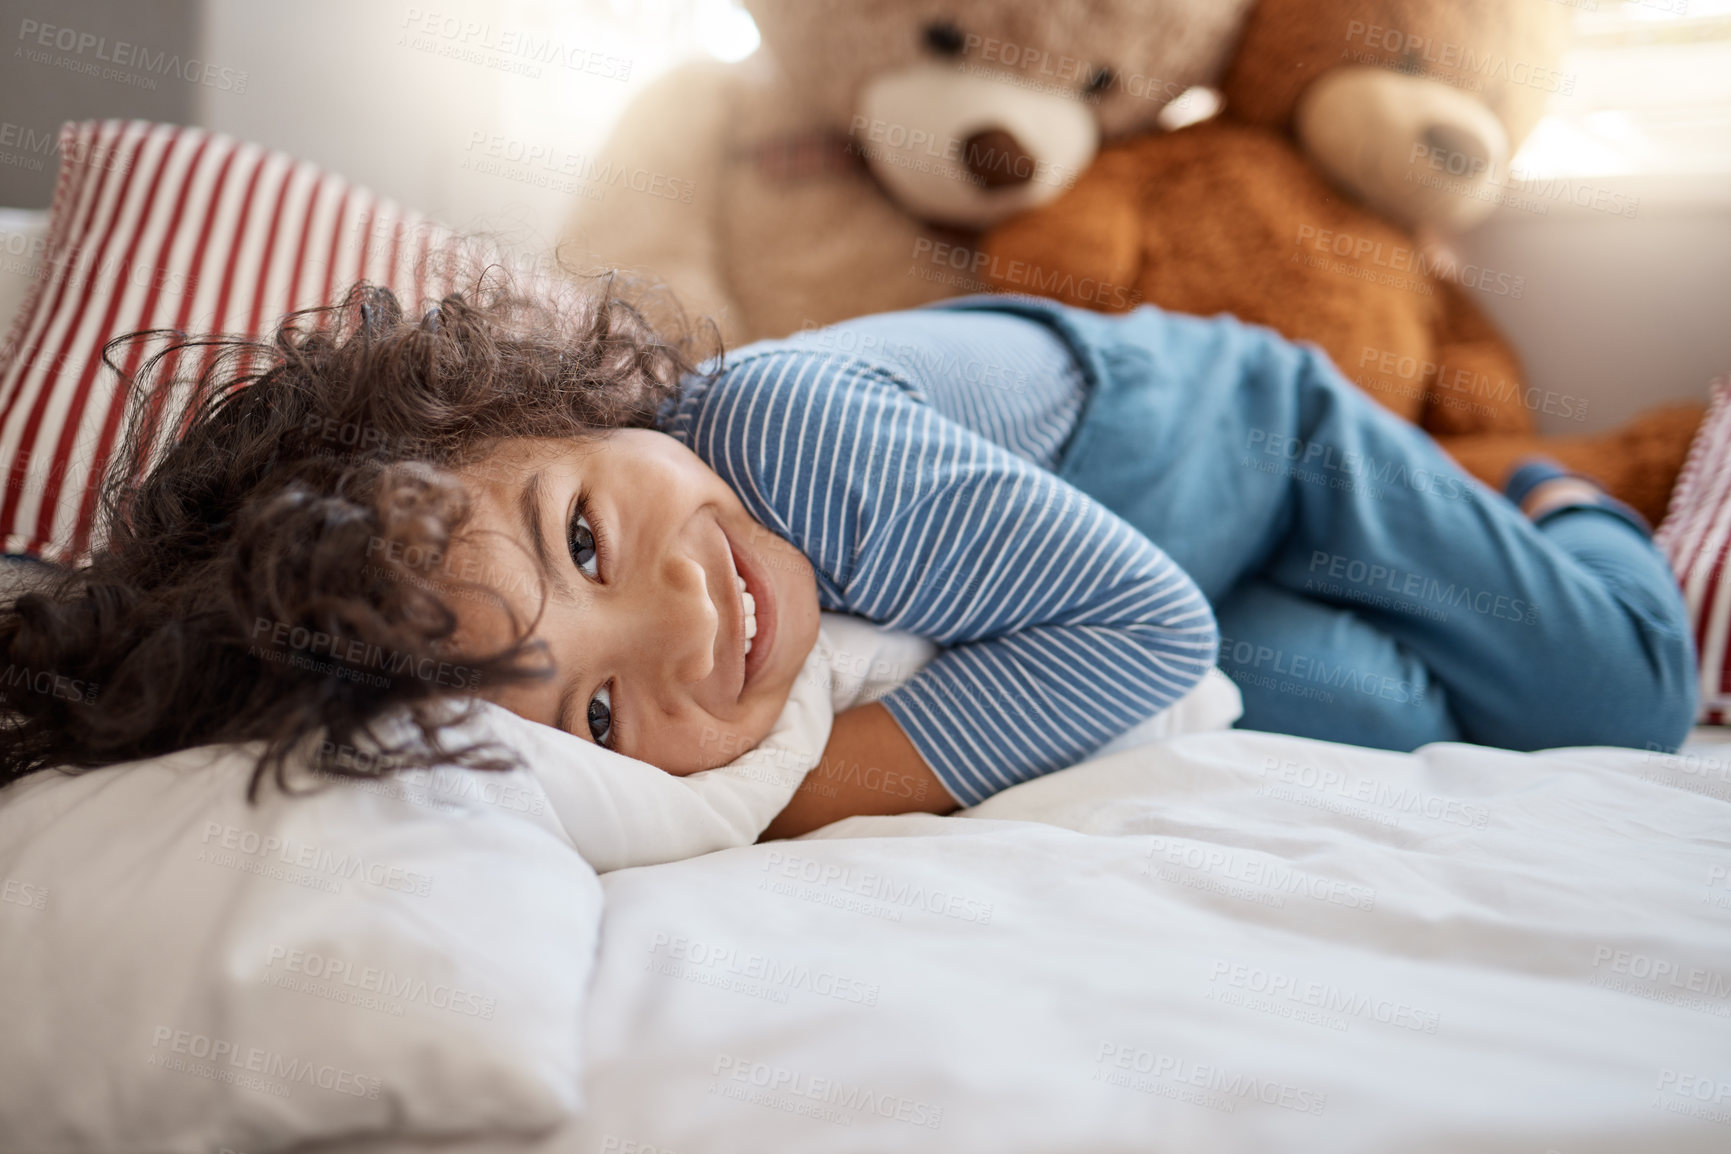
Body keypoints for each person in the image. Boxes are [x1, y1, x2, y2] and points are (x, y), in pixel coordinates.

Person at [0, 270, 1695, 840]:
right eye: (597, 721)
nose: (670, 632)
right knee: (1376, 716)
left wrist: (799, 788)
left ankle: (1557, 493)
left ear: (537, 409)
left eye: (582, 534)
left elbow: (1145, 632)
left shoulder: (785, 428)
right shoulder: (682, 592)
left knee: (1622, 692)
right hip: (1143, 576)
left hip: (1262, 456)